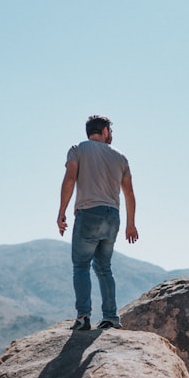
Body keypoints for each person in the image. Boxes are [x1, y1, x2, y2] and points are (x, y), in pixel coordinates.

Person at [57, 115, 138, 331]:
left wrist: (62, 212)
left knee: (81, 265)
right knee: (104, 268)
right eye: (110, 131)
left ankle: (84, 317)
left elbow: (70, 180)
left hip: (88, 213)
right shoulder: (120, 157)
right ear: (104, 131)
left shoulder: (77, 149)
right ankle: (111, 317)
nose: (111, 135)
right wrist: (131, 224)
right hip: (113, 216)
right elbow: (129, 193)